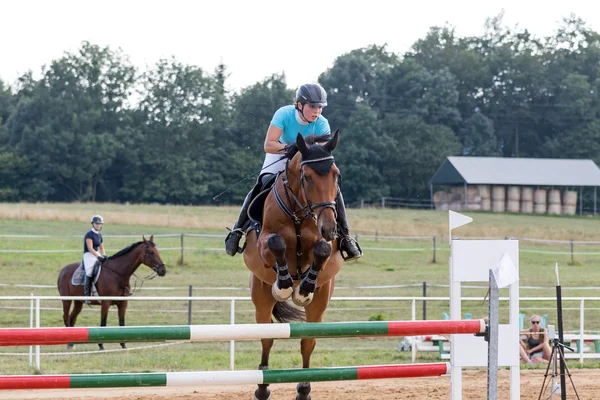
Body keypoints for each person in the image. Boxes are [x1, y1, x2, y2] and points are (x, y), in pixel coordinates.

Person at [224, 83, 362, 261]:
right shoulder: (284, 114)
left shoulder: (322, 124)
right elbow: (269, 145)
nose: (317, 111)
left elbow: (319, 156)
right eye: (313, 106)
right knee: (261, 184)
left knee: (334, 192)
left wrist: (301, 153)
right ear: (299, 105)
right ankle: (238, 230)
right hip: (280, 156)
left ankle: (344, 236)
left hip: (306, 162)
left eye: (320, 107)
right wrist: (289, 148)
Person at [83, 215, 106, 303]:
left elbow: (102, 248)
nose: (98, 225)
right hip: (89, 255)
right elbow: (90, 248)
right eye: (96, 223)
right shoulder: (89, 234)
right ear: (93, 224)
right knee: (89, 272)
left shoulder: (99, 235)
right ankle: (87, 295)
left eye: (99, 224)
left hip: (97, 254)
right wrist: (98, 256)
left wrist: (104, 255)